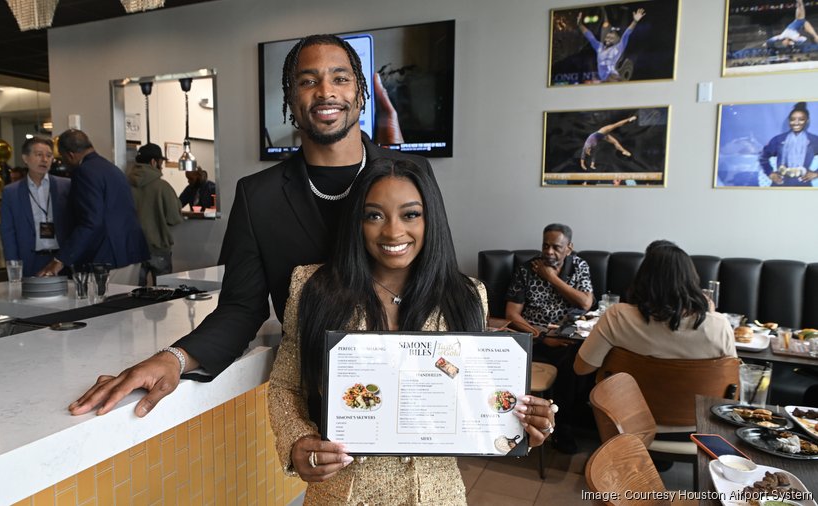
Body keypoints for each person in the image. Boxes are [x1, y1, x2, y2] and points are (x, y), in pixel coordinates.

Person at [68, 34, 442, 418]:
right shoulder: (258, 196)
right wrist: (173, 358)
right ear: (291, 102)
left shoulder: (412, 175)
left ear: (360, 94)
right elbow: (241, 309)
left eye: (340, 78)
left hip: (414, 386)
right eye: (308, 81)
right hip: (318, 397)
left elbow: (436, 278)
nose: (326, 91)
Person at [268, 158, 555, 504]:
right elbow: (286, 385)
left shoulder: (465, 295)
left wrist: (519, 428)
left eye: (410, 214)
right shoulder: (313, 287)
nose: (392, 231)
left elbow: (474, 395)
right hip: (342, 495)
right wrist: (299, 443)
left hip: (437, 495)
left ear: (430, 218)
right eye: (374, 215)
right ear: (356, 222)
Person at [574, 241, 736, 378]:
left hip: (624, 413)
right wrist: (710, 314)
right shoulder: (719, 326)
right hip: (696, 415)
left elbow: (581, 368)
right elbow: (733, 382)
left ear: (643, 277)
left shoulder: (617, 317)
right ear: (691, 280)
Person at [504, 223, 593, 453]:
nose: (549, 252)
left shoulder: (579, 266)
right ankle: (561, 429)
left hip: (570, 337)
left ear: (569, 248)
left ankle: (566, 424)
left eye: (556, 247)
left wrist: (551, 278)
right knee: (567, 364)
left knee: (579, 360)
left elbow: (585, 303)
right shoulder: (526, 270)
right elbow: (512, 314)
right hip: (535, 336)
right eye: (546, 245)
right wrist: (543, 336)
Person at [37, 129, 148, 278]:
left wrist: (60, 259)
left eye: (63, 158)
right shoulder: (112, 169)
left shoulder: (84, 172)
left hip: (106, 257)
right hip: (130, 252)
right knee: (124, 301)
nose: (64, 164)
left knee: (101, 301)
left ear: (70, 155)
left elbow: (91, 222)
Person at [0, 137, 72, 277]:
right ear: (25, 158)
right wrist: (14, 268)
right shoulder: (11, 192)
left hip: (61, 260)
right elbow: (8, 232)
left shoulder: (66, 186)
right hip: (30, 260)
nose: (44, 159)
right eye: (39, 155)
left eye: (49, 155)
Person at [128, 143, 183, 286]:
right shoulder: (162, 187)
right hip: (158, 248)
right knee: (164, 295)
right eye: (161, 162)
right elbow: (174, 218)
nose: (162, 165)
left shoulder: (124, 184)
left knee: (132, 296)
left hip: (132, 249)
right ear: (154, 162)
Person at [759, 102, 818, 187]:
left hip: (802, 184)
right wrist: (770, 173)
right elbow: (763, 157)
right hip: (780, 183)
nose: (796, 123)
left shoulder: (814, 140)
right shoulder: (778, 139)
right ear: (789, 121)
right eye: (792, 119)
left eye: (801, 119)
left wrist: (816, 174)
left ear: (807, 120)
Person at [578, 8, 645, 82]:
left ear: (617, 40)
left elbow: (626, 34)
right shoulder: (599, 47)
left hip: (613, 78)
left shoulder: (618, 47)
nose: (608, 39)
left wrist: (635, 21)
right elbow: (590, 36)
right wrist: (580, 25)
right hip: (604, 80)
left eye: (611, 38)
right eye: (607, 37)